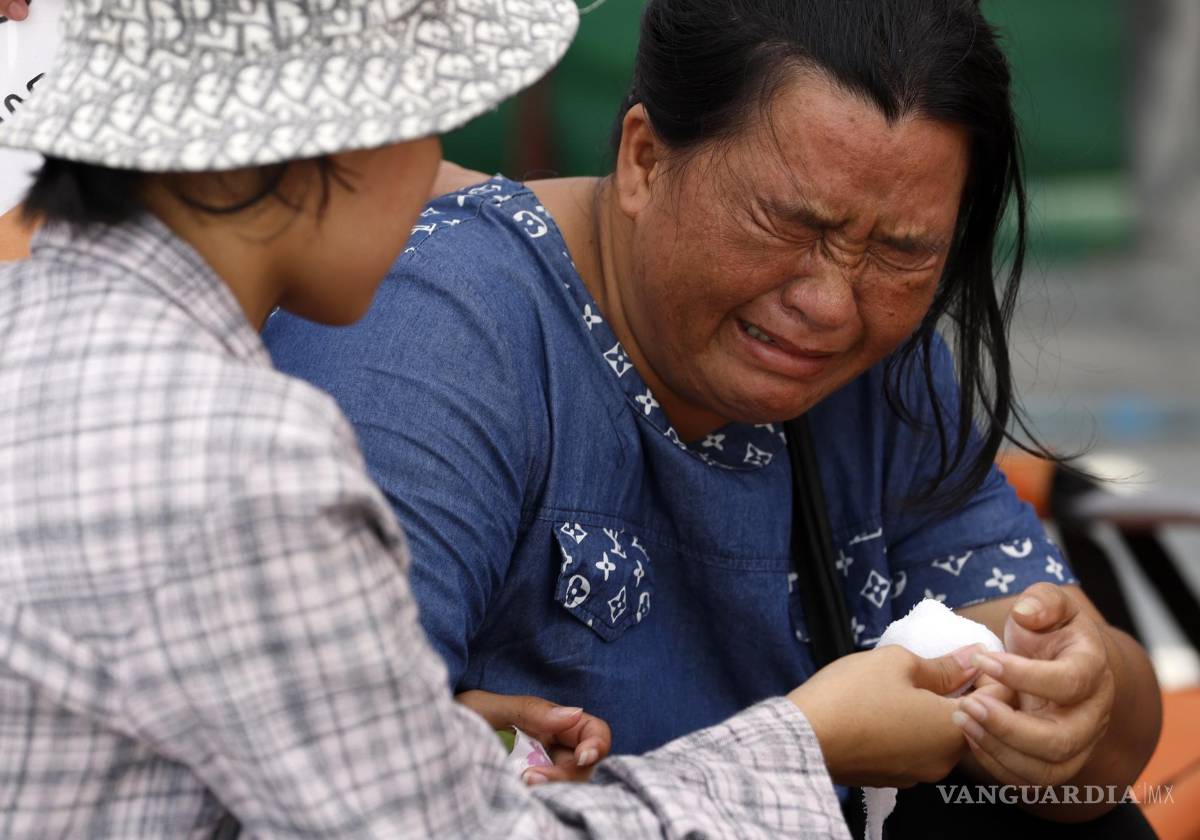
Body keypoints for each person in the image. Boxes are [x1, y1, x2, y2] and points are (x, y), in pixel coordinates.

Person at [0, 0, 920, 836]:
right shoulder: (244, 457)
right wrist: (801, 741)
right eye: (430, 124)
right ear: (345, 135)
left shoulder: (38, 336)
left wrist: (416, 735)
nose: (439, 179)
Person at [264, 0, 1163, 827]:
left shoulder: (881, 371)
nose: (831, 305)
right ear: (645, 160)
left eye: (902, 251)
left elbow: (1102, 768)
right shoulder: (438, 335)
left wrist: (1080, 696)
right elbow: (329, 791)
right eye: (788, 225)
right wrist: (804, 747)